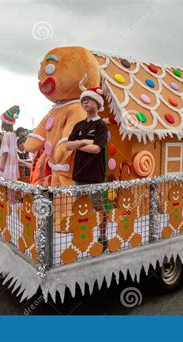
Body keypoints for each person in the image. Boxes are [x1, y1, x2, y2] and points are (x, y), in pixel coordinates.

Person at [66, 86, 108, 249]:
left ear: (97, 103)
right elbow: (68, 146)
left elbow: (96, 149)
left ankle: (102, 237)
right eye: (83, 100)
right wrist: (84, 142)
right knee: (80, 208)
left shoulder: (101, 126)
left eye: (88, 99)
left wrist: (79, 143)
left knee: (98, 207)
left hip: (95, 175)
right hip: (79, 174)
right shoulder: (78, 125)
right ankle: (82, 236)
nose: (84, 102)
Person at [0, 107, 20, 180]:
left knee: (5, 183)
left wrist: (2, 165)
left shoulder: (6, 135)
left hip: (7, 163)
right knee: (12, 183)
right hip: (12, 163)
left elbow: (5, 151)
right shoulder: (13, 134)